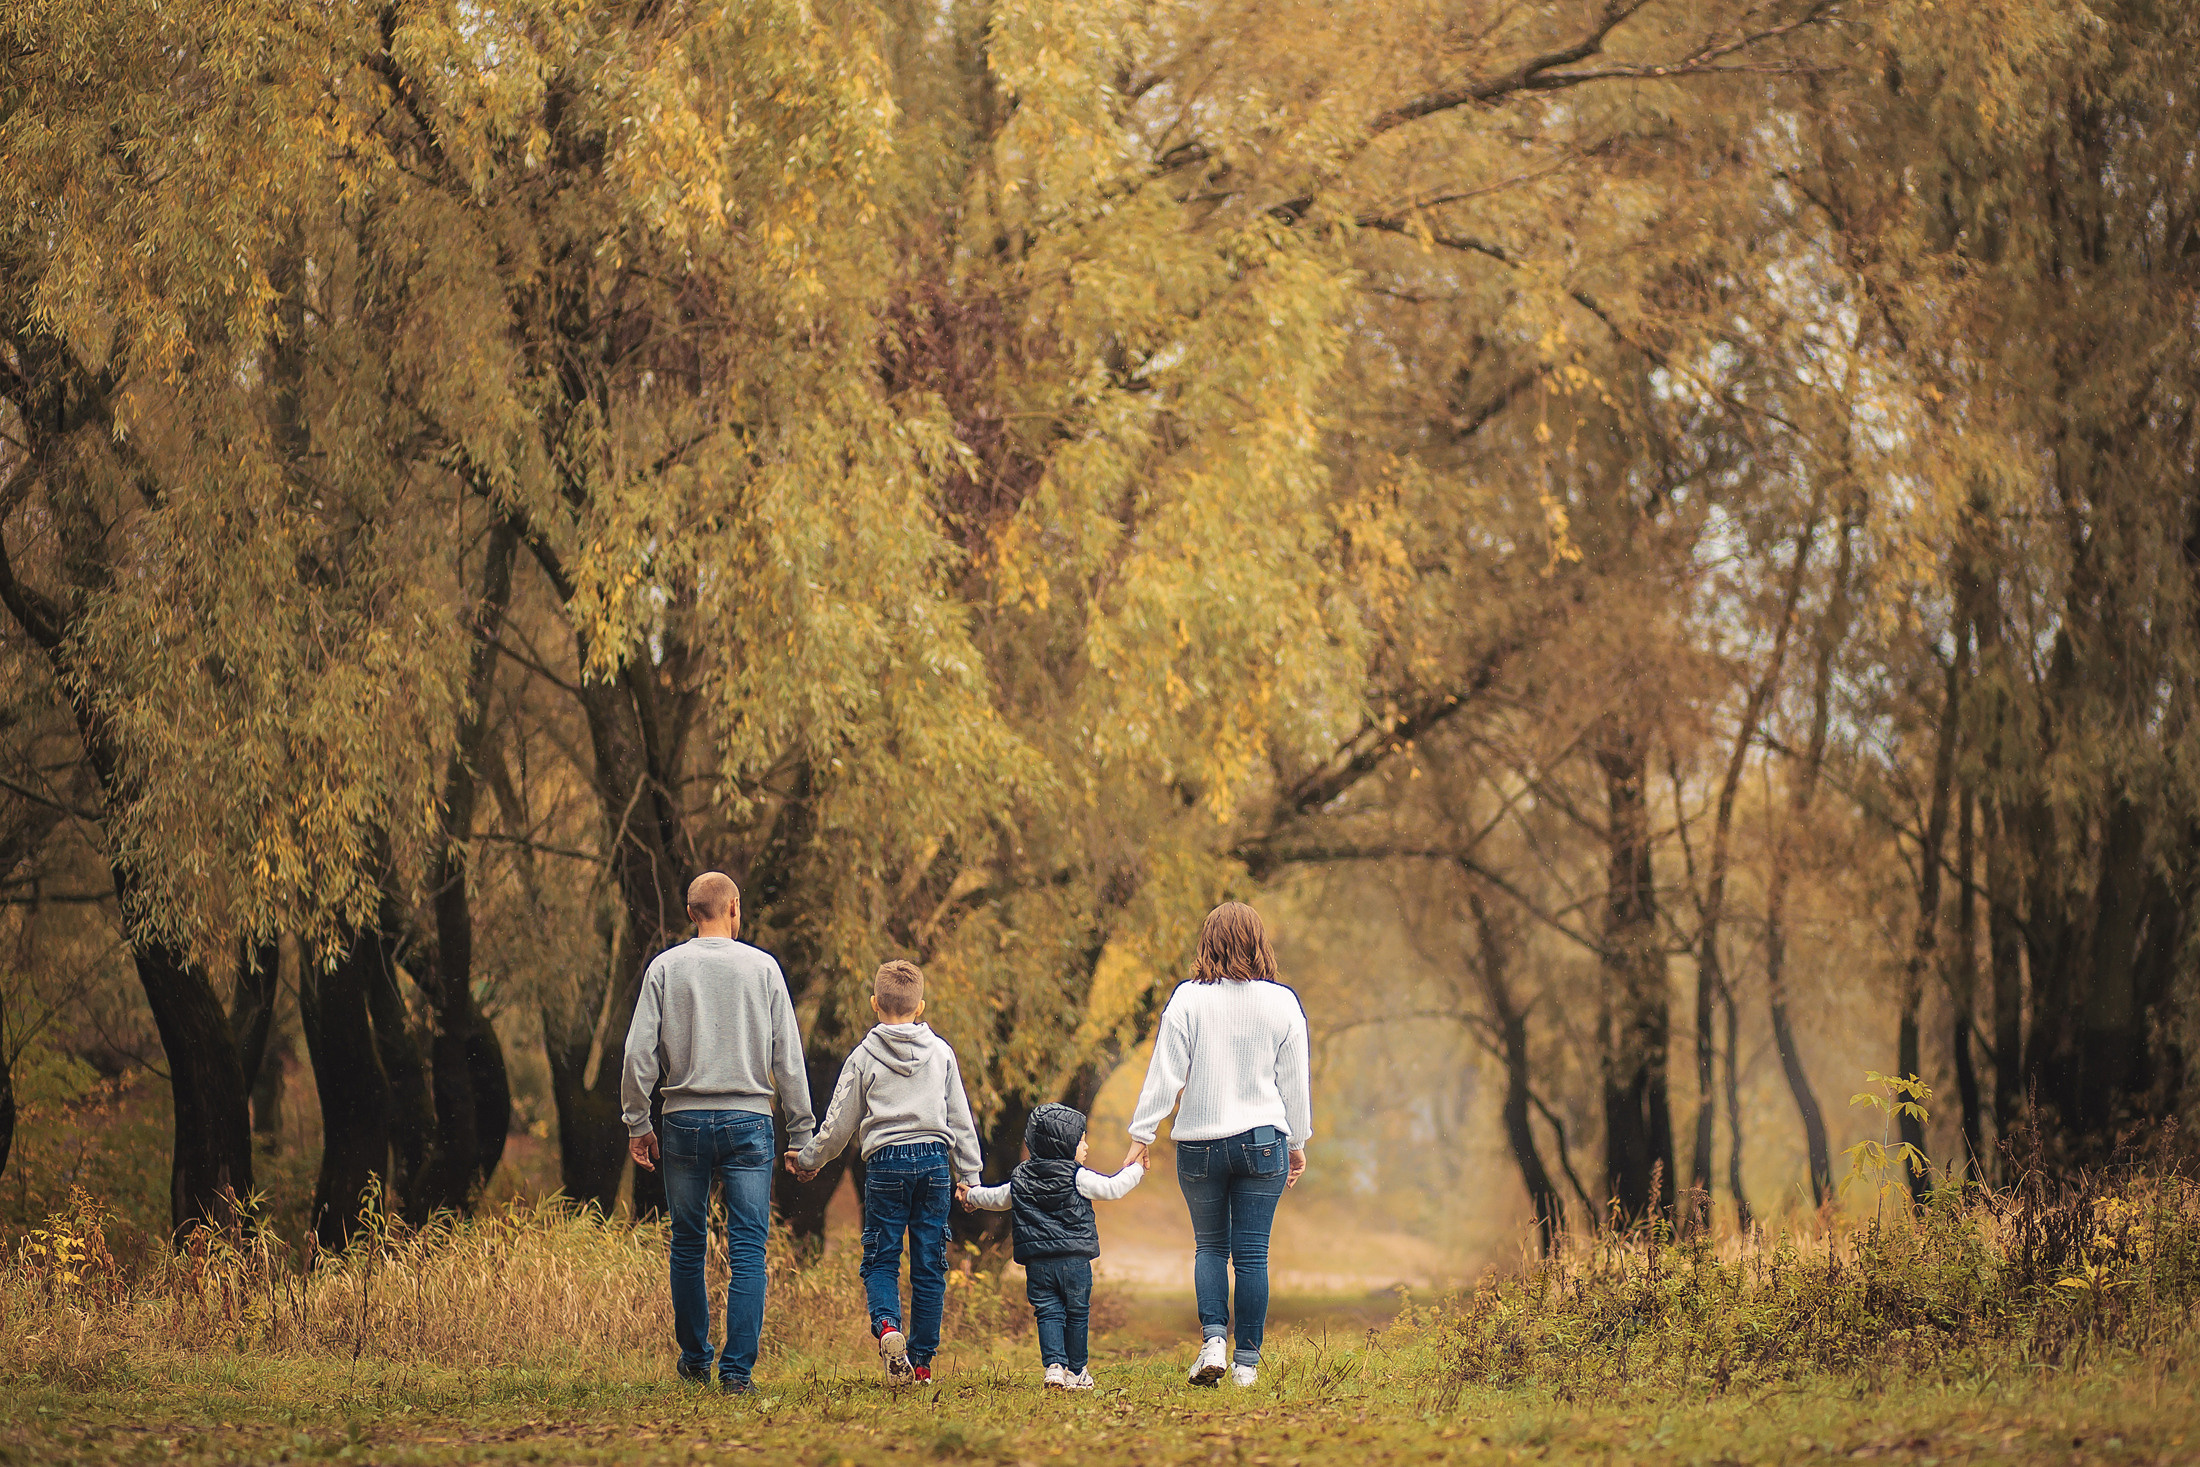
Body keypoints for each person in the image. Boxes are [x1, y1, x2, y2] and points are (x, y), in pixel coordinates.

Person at [620, 872, 815, 1395]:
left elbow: (639, 1053)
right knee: (749, 1247)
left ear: (691, 913)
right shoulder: (764, 969)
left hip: (682, 1120)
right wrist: (801, 1132)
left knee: (687, 1243)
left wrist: (638, 1122)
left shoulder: (665, 968)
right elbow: (788, 1059)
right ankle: (736, 1375)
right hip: (750, 1121)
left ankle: (693, 1361)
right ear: (734, 909)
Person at [1122, 901, 1311, 1388]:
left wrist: (1142, 1134)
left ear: (1208, 943)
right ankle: (1246, 1365)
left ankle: (1213, 1342)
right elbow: (1295, 1082)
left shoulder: (1188, 998)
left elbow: (1165, 1073)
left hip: (1201, 1144)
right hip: (1264, 1140)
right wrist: (1299, 1139)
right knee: (1252, 1256)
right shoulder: (1282, 1002)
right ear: (1258, 943)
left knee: (1209, 1248)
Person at [785, 959, 983, 1385]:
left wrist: (808, 1160)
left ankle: (889, 1327)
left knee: (881, 1259)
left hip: (886, 1164)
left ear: (875, 1004)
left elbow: (839, 1124)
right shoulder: (941, 1054)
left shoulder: (862, 1058)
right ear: (921, 1006)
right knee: (929, 1264)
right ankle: (923, 1364)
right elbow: (960, 1120)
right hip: (933, 1163)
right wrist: (971, 1177)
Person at [959, 1103, 1144, 1389]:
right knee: (1077, 1311)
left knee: (1048, 1311)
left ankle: (1054, 1367)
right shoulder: (1076, 1175)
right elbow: (1112, 1188)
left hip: (1038, 1263)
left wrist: (972, 1196)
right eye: (1081, 1139)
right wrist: (1137, 1170)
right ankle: (1077, 1371)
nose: (1086, 1146)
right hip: (1074, 1261)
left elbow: (997, 1198)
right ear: (1065, 1143)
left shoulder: (1021, 1177)